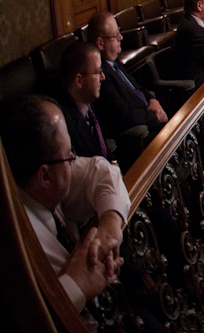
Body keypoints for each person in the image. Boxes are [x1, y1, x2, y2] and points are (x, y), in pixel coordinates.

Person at [0, 95, 128, 327]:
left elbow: (102, 171)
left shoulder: (39, 183)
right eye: (70, 155)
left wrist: (109, 227)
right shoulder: (16, 241)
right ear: (45, 176)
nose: (74, 160)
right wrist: (75, 286)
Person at [87, 12, 167, 143]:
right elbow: (124, 115)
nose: (121, 37)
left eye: (119, 32)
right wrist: (154, 115)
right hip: (142, 134)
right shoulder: (100, 75)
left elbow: (137, 87)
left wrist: (152, 100)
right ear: (100, 43)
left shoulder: (114, 62)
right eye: (115, 35)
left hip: (149, 115)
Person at [55, 42, 117, 166]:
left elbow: (103, 147)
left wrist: (113, 162)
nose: (103, 77)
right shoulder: (64, 125)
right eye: (98, 72)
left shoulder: (87, 101)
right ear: (79, 81)